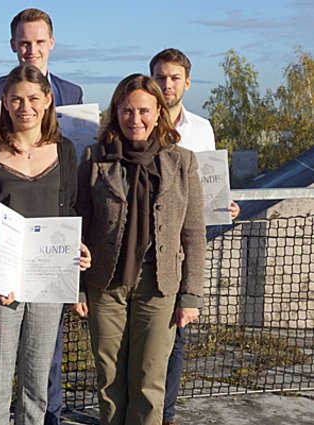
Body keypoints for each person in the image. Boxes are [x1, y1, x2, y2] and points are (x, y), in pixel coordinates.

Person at [0, 10, 82, 424]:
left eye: (33, 99)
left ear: (48, 100)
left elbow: (71, 210)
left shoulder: (66, 152)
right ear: (4, 103)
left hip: (48, 281)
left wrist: (78, 252)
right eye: (16, 99)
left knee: (37, 382)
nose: (25, 107)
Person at [72, 74, 207, 425]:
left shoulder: (182, 162)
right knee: (110, 381)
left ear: (159, 112)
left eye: (144, 111)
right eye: (127, 111)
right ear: (116, 112)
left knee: (149, 381)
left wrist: (190, 295)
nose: (136, 119)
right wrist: (78, 286)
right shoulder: (95, 158)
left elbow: (193, 232)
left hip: (159, 284)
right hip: (105, 283)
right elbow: (79, 223)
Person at [149, 48, 240, 425]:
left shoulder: (201, 128)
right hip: (145, 242)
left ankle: (165, 413)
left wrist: (225, 207)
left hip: (183, 247)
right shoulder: (138, 120)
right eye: (160, 77)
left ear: (187, 81)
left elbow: (208, 187)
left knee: (177, 333)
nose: (166, 85)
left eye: (174, 78)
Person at [0, 8, 82, 148]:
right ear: (13, 45)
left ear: (51, 43)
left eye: (40, 42)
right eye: (25, 43)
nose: (32, 51)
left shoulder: (72, 93)